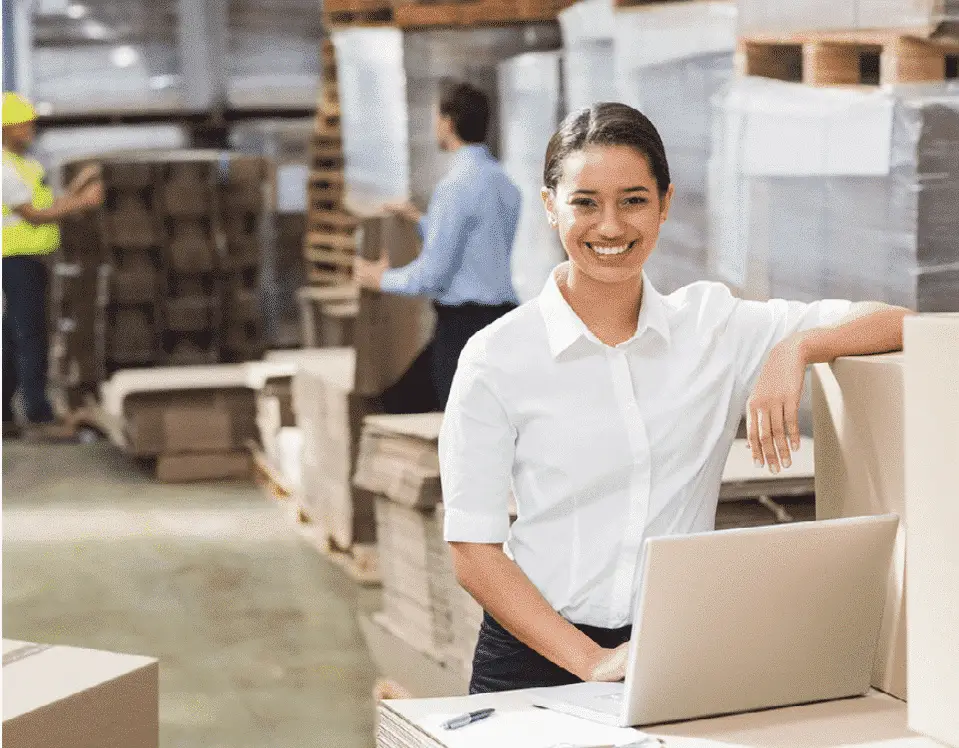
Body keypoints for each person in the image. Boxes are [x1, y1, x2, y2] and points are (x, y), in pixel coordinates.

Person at [438, 102, 914, 694]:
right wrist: (590, 661)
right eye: (585, 202)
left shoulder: (714, 327)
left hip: (671, 649)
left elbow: (898, 321)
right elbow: (473, 550)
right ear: (550, 206)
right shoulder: (497, 357)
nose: (609, 227)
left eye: (633, 200)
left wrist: (799, 347)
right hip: (533, 657)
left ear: (665, 204)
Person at [353, 80, 521, 409]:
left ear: (447, 122)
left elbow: (434, 276)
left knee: (460, 426)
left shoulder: (455, 187)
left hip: (463, 328)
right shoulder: (505, 184)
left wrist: (380, 279)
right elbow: (477, 247)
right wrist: (419, 219)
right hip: (503, 322)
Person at [2, 92, 104, 440]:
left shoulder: (27, 165)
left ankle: (4, 411)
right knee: (30, 337)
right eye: (24, 123)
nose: (30, 128)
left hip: (30, 261)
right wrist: (84, 200)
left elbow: (49, 205)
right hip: (15, 261)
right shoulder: (4, 169)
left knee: (11, 338)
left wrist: (77, 188)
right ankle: (37, 411)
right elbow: (35, 217)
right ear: (6, 128)